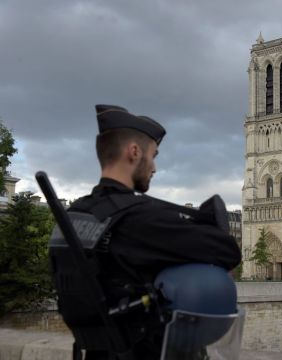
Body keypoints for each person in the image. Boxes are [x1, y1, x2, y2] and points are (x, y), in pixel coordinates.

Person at [66, 104, 242, 359]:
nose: (154, 168)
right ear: (134, 152)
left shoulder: (74, 215)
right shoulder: (139, 219)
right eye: (154, 155)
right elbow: (227, 250)